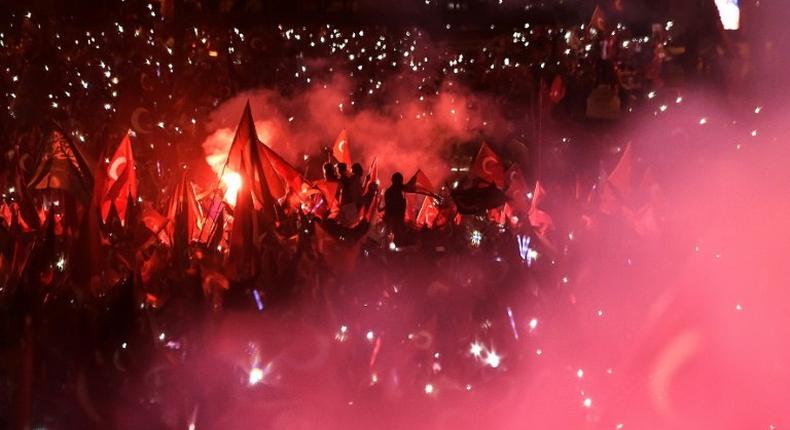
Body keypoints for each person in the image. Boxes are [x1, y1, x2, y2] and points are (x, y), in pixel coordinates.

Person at [383, 172, 407, 244]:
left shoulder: (390, 191)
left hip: (393, 217)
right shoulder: (393, 192)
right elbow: (391, 205)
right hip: (394, 217)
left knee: (394, 236)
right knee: (393, 236)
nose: (401, 183)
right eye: (400, 181)